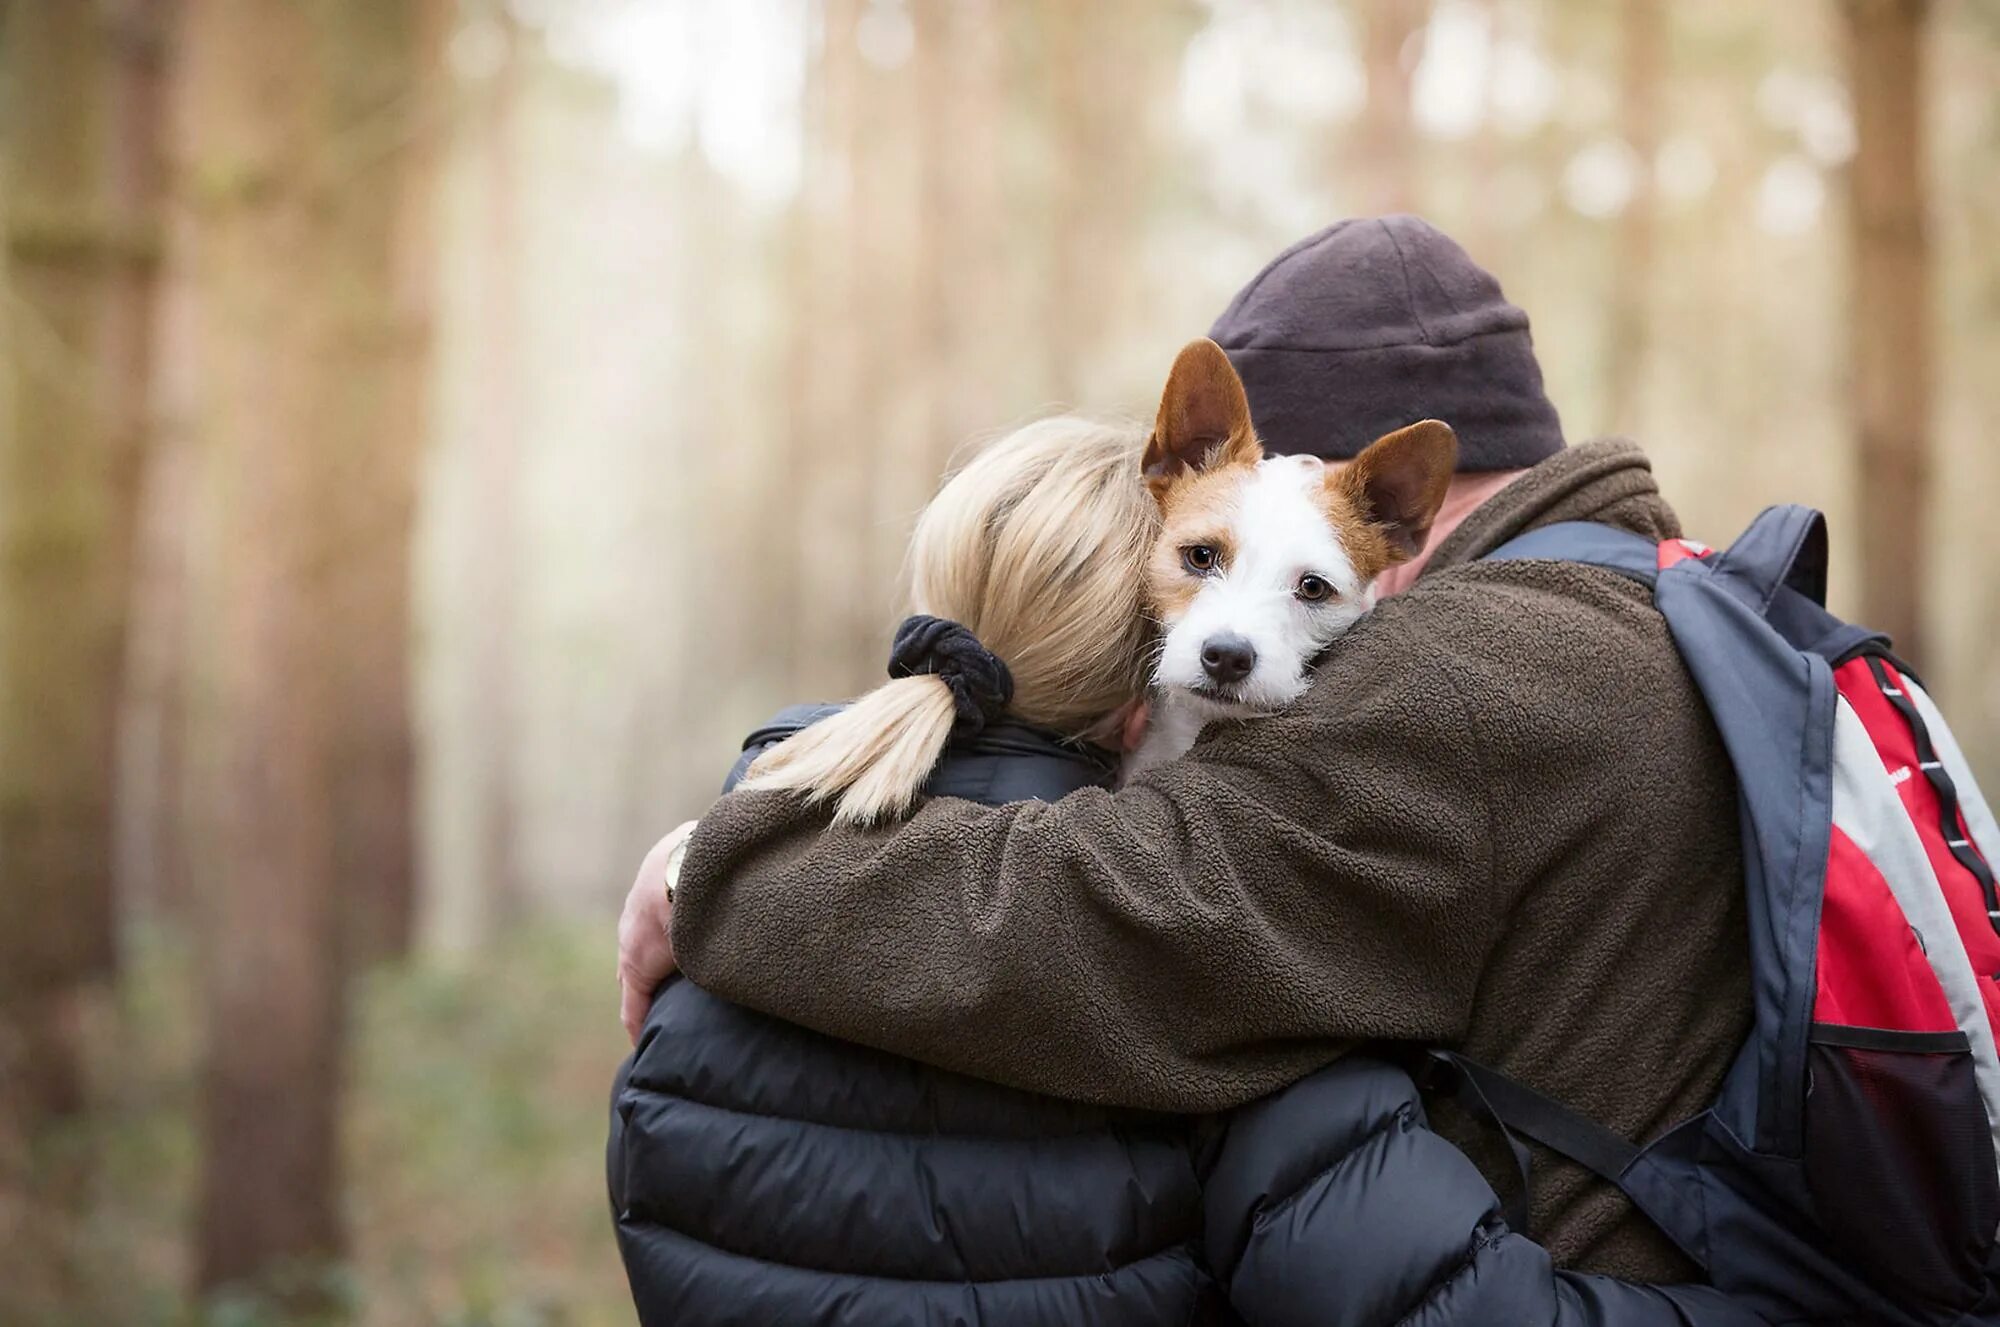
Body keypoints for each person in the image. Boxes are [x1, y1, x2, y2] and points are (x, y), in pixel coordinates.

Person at [618, 215, 1755, 1287]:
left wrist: (711, 867)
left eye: (1305, 573)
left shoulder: (1461, 670)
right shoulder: (1664, 600)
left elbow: (1107, 920)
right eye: (1206, 553)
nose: (1239, 620)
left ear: (1374, 498)